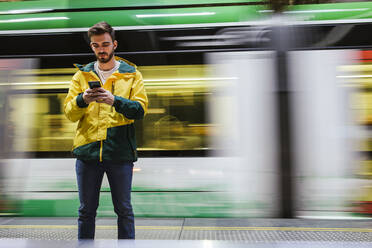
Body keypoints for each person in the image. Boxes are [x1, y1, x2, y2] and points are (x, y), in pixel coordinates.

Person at [64, 21, 148, 239]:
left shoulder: (132, 75)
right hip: (87, 152)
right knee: (86, 211)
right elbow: (70, 114)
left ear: (114, 44)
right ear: (92, 47)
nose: (101, 49)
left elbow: (139, 110)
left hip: (119, 152)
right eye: (96, 45)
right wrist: (82, 99)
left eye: (105, 44)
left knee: (124, 210)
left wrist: (114, 100)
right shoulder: (81, 76)